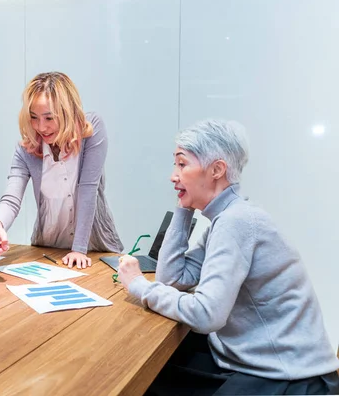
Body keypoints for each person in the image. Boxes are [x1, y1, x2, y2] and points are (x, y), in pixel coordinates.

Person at [118, 119, 339, 394]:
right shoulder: (225, 219)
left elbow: (206, 314)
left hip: (291, 378)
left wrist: (139, 285)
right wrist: (184, 209)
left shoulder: (237, 221)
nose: (173, 175)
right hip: (251, 360)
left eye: (182, 164)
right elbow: (173, 278)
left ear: (217, 170)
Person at [0, 72, 123, 269]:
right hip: (48, 248)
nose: (41, 127)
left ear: (68, 112)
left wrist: (79, 249)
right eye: (34, 117)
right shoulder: (27, 148)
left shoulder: (91, 130)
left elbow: (88, 189)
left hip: (93, 246)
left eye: (49, 118)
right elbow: (11, 198)